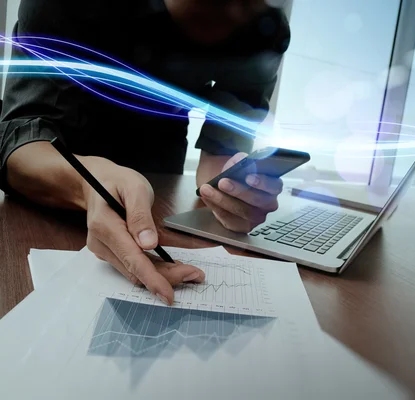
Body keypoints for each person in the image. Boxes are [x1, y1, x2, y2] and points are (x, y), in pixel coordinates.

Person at [0, 0, 290, 305]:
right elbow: (18, 141)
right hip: (50, 197)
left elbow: (220, 156)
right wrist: (89, 185)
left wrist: (230, 196)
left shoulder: (265, 29)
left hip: (161, 194)